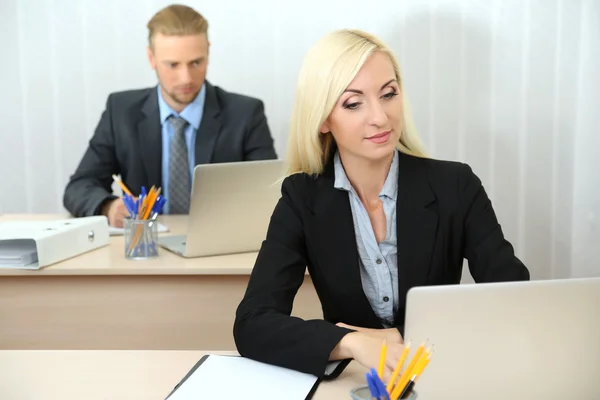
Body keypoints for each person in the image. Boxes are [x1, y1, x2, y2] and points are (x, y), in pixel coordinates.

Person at [233, 29, 530, 379]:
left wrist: (405, 338)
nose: (380, 117)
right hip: (357, 381)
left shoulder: (456, 185)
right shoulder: (302, 197)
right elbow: (253, 323)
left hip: (443, 372)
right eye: (354, 103)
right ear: (324, 118)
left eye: (388, 94)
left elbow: (513, 297)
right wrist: (351, 341)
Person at [63, 4, 277, 227]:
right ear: (151, 57)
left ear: (208, 53)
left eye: (196, 62)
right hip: (146, 248)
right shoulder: (121, 111)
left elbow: (270, 190)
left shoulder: (245, 113)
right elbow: (79, 186)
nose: (186, 78)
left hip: (219, 243)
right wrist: (109, 207)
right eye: (173, 65)